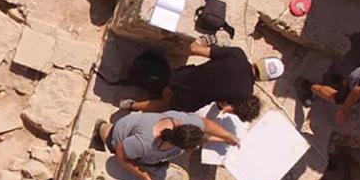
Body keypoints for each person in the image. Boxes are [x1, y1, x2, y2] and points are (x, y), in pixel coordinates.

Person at [119, 38, 280, 123]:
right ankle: (131, 105)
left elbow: (193, 49)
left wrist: (202, 41)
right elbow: (222, 105)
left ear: (261, 61)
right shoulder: (245, 93)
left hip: (180, 78)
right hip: (188, 102)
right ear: (265, 79)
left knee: (165, 87)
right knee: (163, 105)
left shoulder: (237, 54)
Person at [93, 110, 239, 180]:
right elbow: (121, 153)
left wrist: (226, 136)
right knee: (112, 143)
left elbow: (205, 125)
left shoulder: (186, 125)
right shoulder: (145, 143)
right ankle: (102, 128)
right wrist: (141, 174)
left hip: (143, 148)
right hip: (120, 138)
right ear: (179, 146)